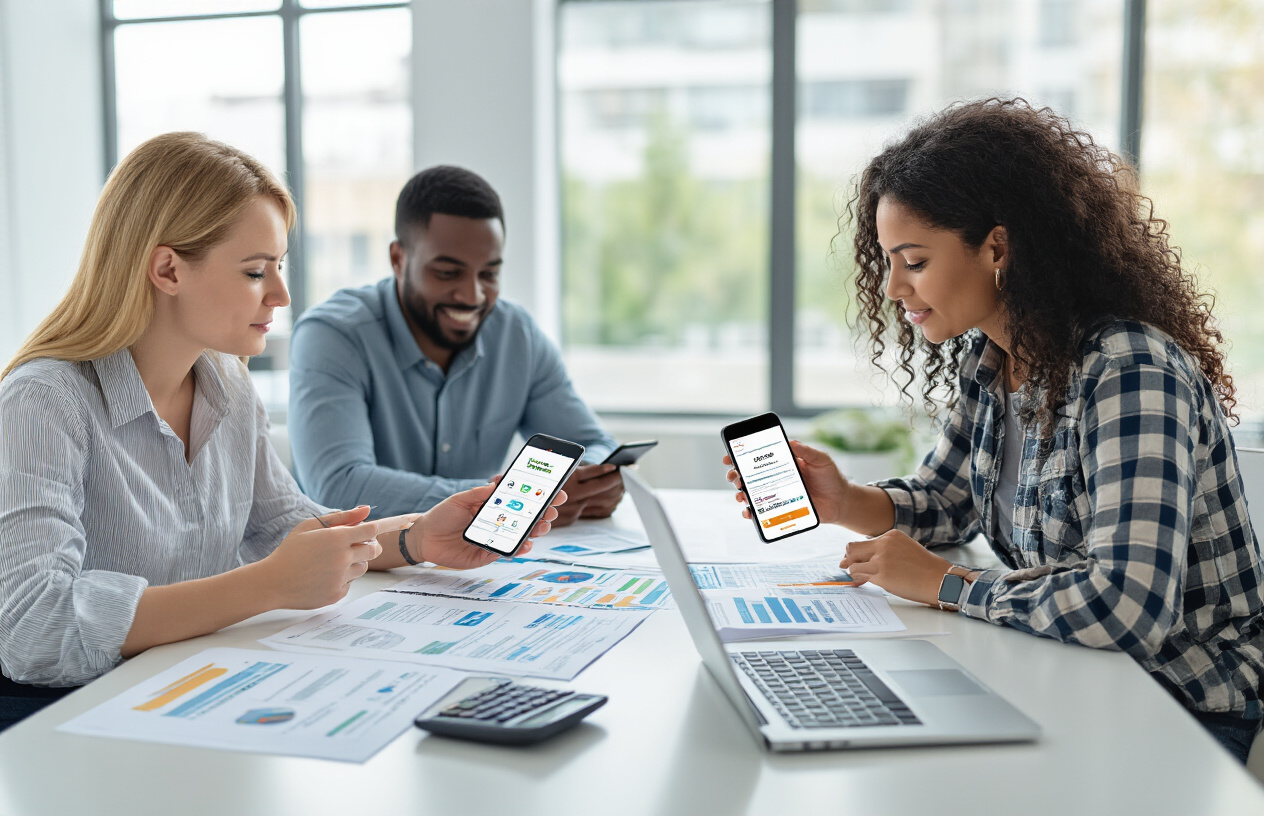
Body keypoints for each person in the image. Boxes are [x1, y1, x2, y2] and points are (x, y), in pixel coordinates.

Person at [725, 99, 1264, 763]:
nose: (892, 287)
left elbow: (1127, 606)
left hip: (1177, 703)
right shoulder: (992, 361)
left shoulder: (1129, 371)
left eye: (913, 261)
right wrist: (844, 502)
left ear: (997, 248)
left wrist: (946, 585)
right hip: (1067, 671)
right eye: (887, 261)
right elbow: (947, 500)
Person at [0, 133, 562, 732]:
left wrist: (417, 537)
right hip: (69, 722)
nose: (281, 295)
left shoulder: (227, 382)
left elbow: (279, 527)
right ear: (167, 269)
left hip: (187, 695)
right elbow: (33, 627)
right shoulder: (43, 402)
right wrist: (265, 588)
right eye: (254, 271)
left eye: (279, 267)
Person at [287, 165, 623, 525]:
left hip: (480, 555)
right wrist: (509, 499)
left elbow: (593, 446)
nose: (472, 295)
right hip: (360, 558)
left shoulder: (517, 336)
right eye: (447, 273)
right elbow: (338, 487)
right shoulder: (333, 336)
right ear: (398, 260)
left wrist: (590, 481)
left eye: (489, 274)